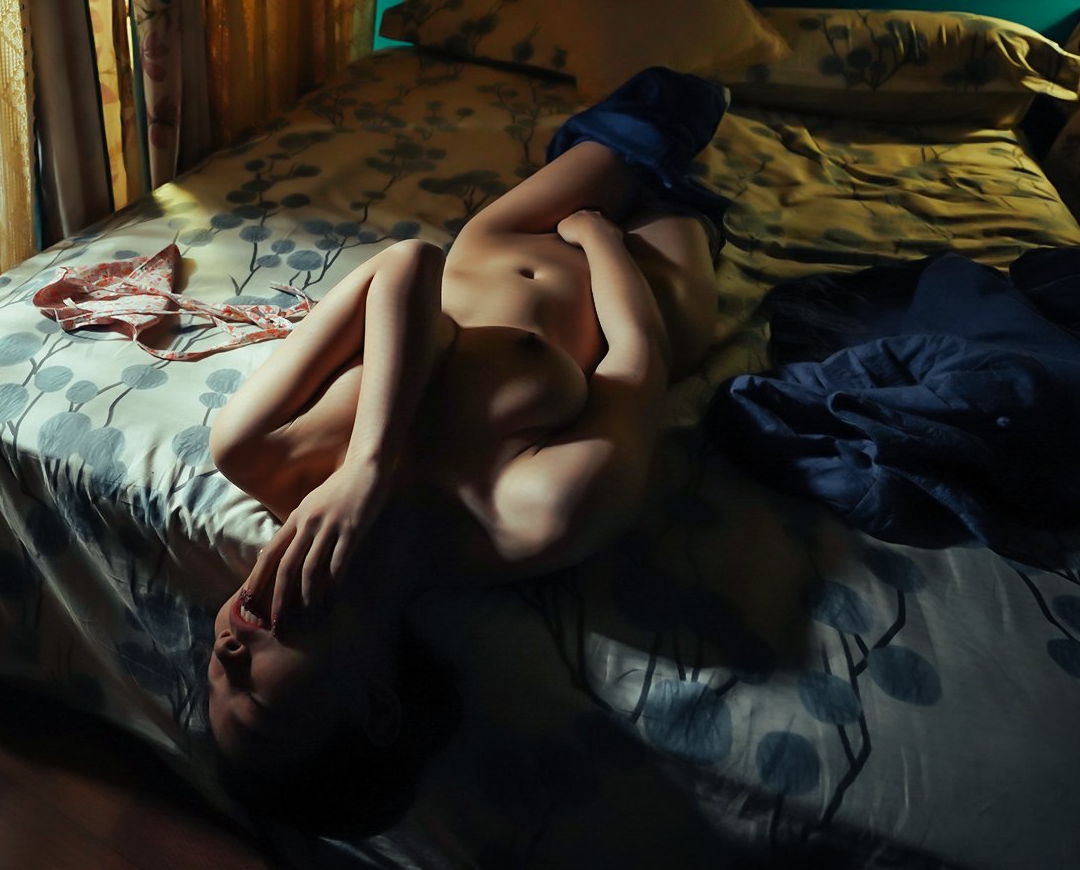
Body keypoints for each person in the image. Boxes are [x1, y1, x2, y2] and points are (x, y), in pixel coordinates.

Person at [204, 68, 730, 831]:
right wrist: (600, 236)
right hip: (650, 285)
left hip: (500, 237)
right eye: (254, 708)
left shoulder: (254, 452)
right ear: (377, 707)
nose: (224, 656)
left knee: (670, 98)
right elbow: (639, 359)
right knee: (686, 167)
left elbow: (409, 264)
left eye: (211, 682)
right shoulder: (532, 516)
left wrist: (365, 468)